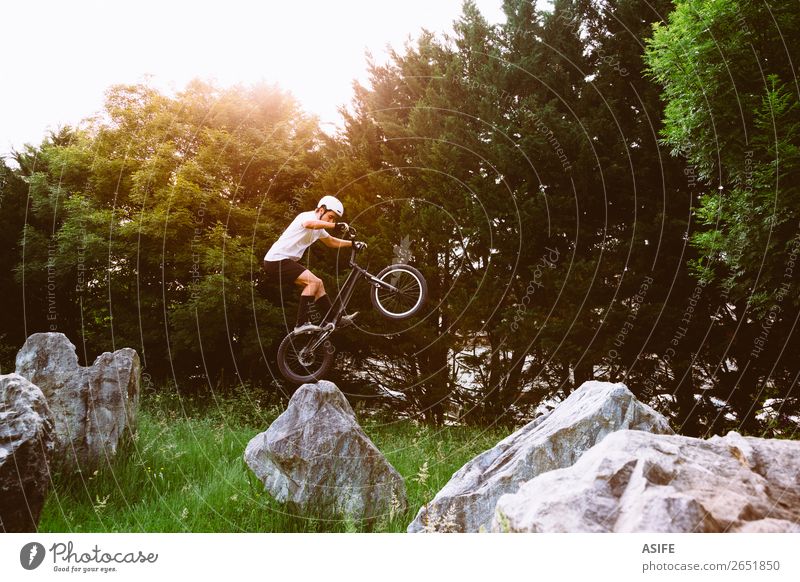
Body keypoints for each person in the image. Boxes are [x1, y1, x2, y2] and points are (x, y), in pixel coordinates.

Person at [263, 195, 364, 331]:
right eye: (330, 216)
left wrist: (352, 244)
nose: (331, 221)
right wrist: (334, 226)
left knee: (318, 284)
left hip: (281, 262)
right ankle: (301, 324)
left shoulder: (319, 230)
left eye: (334, 219)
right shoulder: (306, 217)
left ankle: (333, 319)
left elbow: (331, 242)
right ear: (321, 210)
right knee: (314, 282)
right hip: (276, 260)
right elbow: (309, 224)